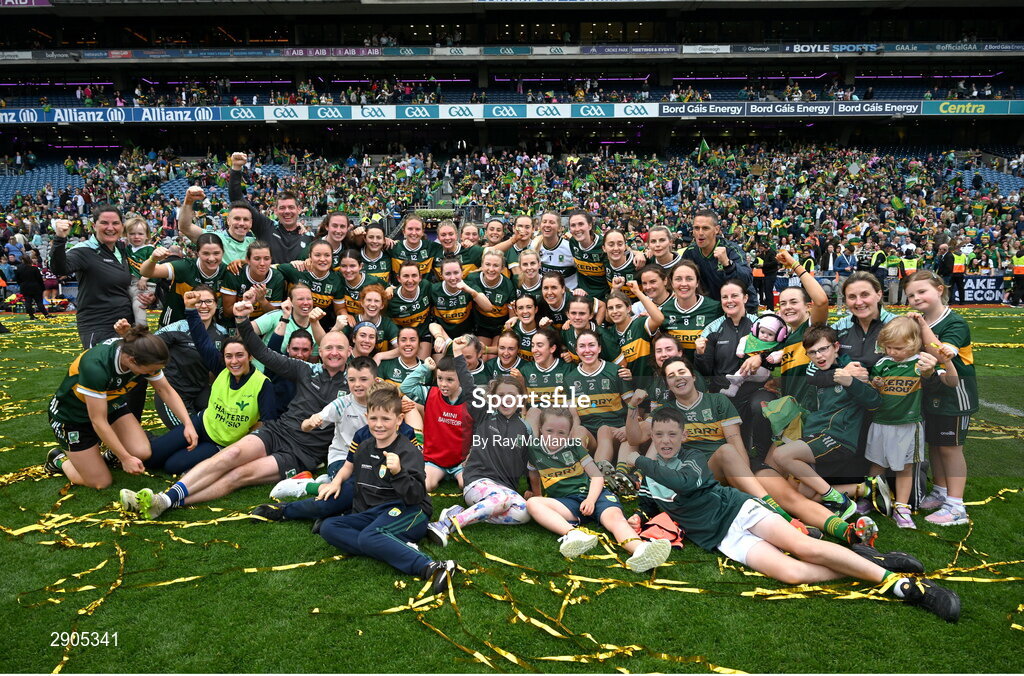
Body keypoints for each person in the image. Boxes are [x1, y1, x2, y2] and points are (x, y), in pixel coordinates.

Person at [623, 407, 960, 623]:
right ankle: (874, 563)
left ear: (683, 436)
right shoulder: (648, 477)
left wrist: (637, 459)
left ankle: (904, 587)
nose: (665, 441)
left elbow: (679, 481)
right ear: (651, 437)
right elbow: (651, 504)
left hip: (738, 510)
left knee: (807, 548)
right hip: (722, 538)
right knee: (791, 573)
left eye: (672, 434)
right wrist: (638, 518)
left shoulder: (692, 458)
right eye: (658, 435)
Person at [118, 300, 349, 519]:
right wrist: (242, 320)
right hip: (278, 432)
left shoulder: (356, 382)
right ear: (321, 349)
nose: (334, 352)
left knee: (239, 475)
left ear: (350, 352)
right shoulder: (307, 369)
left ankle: (167, 503)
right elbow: (264, 353)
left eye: (340, 348)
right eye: (329, 347)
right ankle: (163, 500)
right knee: (230, 455)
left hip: (302, 453)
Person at [317, 386, 458, 594]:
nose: (379, 425)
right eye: (374, 419)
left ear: (399, 420)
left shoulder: (409, 451)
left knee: (368, 537)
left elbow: (417, 496)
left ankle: (432, 567)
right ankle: (393, 546)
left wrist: (399, 472)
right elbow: (362, 488)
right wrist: (356, 516)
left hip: (411, 511)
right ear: (367, 417)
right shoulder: (364, 447)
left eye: (385, 419)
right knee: (329, 527)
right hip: (375, 513)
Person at [44, 325, 195, 490]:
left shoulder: (139, 353)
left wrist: (188, 424)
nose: (154, 373)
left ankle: (109, 455)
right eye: (151, 370)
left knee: (142, 452)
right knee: (101, 482)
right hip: (72, 417)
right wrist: (125, 457)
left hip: (111, 403)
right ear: (131, 361)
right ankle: (58, 459)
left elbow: (165, 389)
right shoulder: (96, 366)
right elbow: (98, 421)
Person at [524, 407, 672, 574]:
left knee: (615, 520)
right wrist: (536, 493)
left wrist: (590, 500)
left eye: (561, 433)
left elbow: (597, 477)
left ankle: (640, 550)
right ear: (540, 429)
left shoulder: (574, 447)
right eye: (549, 431)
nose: (555, 437)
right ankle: (574, 535)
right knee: (533, 503)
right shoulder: (533, 449)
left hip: (595, 494)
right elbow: (533, 472)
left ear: (569, 433)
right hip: (568, 503)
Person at [146, 291, 275, 475]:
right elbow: (202, 341)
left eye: (240, 355)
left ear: (250, 356)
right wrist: (190, 310)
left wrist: (244, 448)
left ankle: (202, 456)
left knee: (171, 466)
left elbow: (268, 423)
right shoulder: (222, 369)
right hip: (200, 423)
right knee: (152, 457)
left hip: (219, 443)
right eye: (229, 356)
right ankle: (146, 442)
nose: (234, 361)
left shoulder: (263, 384)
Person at [768, 326, 882, 520]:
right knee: (805, 495)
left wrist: (851, 382)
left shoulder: (853, 370)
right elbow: (812, 402)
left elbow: (874, 402)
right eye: (812, 352)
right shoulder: (820, 375)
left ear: (836, 346)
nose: (819, 356)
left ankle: (839, 501)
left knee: (781, 454)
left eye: (823, 349)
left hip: (837, 438)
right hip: (815, 438)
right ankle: (866, 489)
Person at [426, 375, 541, 547]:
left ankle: (459, 513)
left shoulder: (525, 429)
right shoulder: (484, 415)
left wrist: (536, 493)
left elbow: (531, 464)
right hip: (477, 482)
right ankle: (447, 525)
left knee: (525, 512)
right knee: (501, 498)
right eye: (501, 396)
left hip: (505, 490)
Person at [866, 317, 958, 529]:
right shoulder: (883, 363)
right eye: (887, 347)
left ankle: (902, 506)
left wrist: (943, 363)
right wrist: (875, 383)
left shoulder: (921, 363)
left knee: (905, 468)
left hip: (908, 424)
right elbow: (874, 389)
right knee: (876, 465)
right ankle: (869, 500)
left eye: (897, 347)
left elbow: (951, 382)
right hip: (881, 423)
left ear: (913, 343)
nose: (891, 351)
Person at [903, 270, 978, 526]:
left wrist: (922, 326)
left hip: (954, 394)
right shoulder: (920, 319)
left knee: (951, 448)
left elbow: (943, 354)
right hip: (931, 391)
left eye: (921, 291)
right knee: (935, 444)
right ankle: (942, 491)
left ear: (939, 289)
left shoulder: (954, 321)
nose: (916, 298)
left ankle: (957, 507)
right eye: (911, 295)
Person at [400, 335, 476, 491]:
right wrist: (424, 368)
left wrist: (472, 455)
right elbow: (405, 387)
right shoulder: (430, 393)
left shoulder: (470, 399)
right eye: (440, 378)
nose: (443, 384)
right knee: (426, 485)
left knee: (467, 486)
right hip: (434, 460)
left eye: (449, 380)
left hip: (460, 462)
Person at [49, 211, 135, 348]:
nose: (110, 228)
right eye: (104, 223)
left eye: (115, 223)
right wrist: (60, 238)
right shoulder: (84, 250)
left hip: (126, 324)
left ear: (122, 227)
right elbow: (59, 269)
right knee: (101, 368)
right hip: (98, 326)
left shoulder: (121, 249)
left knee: (129, 368)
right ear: (94, 226)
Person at [151, 285, 228, 429]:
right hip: (173, 393)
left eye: (209, 301)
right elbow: (147, 347)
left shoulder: (222, 333)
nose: (203, 306)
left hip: (201, 392)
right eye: (198, 301)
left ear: (216, 305)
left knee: (216, 428)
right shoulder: (177, 328)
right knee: (190, 435)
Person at [228, 152, 311, 264]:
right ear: (275, 210)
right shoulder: (265, 227)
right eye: (282, 208)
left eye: (291, 207)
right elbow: (237, 200)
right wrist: (236, 168)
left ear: (299, 209)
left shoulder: (310, 238)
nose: (287, 211)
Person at [140, 233, 227, 327]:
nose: (211, 258)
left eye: (216, 253)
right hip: (173, 326)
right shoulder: (184, 267)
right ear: (197, 253)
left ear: (223, 252)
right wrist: (153, 259)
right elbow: (146, 272)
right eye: (206, 253)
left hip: (209, 328)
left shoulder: (227, 271)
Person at [681, 210, 757, 311]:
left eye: (705, 228)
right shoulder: (690, 252)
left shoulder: (731, 250)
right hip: (712, 308)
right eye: (696, 228)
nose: (700, 233)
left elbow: (747, 279)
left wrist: (728, 264)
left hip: (742, 308)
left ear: (716, 229)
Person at [659, 261, 723, 363]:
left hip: (707, 373)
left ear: (697, 282)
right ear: (671, 282)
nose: (684, 284)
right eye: (678, 279)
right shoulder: (665, 310)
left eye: (689, 279)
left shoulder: (715, 308)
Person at [178, 187, 255, 264]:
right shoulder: (214, 239)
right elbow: (185, 227)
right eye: (237, 219)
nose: (241, 223)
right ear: (228, 220)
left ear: (251, 223)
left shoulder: (255, 243)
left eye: (245, 219)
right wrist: (188, 201)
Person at [219, 241, 286, 321]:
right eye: (257, 259)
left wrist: (262, 300)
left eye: (266, 258)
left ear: (271, 259)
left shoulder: (277, 277)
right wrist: (247, 302)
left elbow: (275, 315)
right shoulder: (235, 273)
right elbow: (227, 313)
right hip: (235, 324)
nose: (262, 263)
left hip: (263, 325)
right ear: (248, 260)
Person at [465, 250, 516, 346]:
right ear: (482, 265)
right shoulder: (472, 279)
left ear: (502, 268)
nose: (491, 269)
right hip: (481, 326)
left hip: (501, 327)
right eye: (487, 264)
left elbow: (512, 317)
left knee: (493, 355)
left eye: (496, 265)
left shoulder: (508, 285)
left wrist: (508, 328)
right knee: (482, 355)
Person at [124, 216, 155, 326]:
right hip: (131, 284)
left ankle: (142, 332)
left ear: (147, 236)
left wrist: (144, 278)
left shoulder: (149, 249)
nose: (136, 237)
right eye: (132, 233)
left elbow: (154, 266)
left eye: (140, 234)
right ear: (126, 235)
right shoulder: (127, 249)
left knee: (138, 307)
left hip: (144, 284)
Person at [14, 254, 48, 319]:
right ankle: (46, 314)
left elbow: (17, 279)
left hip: (25, 287)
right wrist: (43, 288)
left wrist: (21, 284)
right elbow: (39, 279)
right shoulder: (34, 269)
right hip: (35, 287)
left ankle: (31, 315)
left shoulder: (19, 269)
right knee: (39, 302)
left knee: (28, 302)